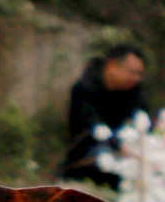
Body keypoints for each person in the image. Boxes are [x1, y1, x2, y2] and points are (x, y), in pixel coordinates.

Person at [58, 43, 150, 184]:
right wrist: (117, 144)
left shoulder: (133, 88)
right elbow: (93, 127)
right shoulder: (84, 88)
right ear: (112, 65)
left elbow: (140, 110)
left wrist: (141, 120)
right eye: (132, 72)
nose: (136, 78)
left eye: (139, 73)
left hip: (125, 144)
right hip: (89, 151)